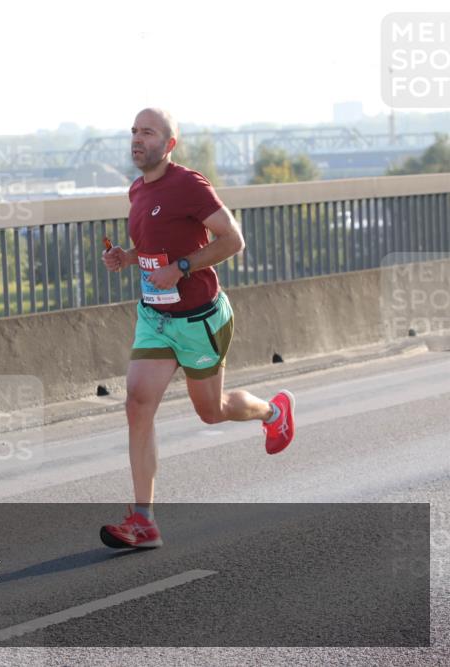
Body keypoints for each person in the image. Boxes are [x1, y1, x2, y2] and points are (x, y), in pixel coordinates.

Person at [99, 109, 296, 549]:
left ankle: (273, 412)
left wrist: (184, 266)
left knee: (211, 410)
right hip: (156, 318)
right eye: (134, 131)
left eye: (147, 132)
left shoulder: (188, 185)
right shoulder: (137, 189)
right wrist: (128, 258)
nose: (137, 139)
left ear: (168, 144)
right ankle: (143, 519)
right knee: (137, 403)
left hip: (200, 320)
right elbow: (155, 247)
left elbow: (233, 240)